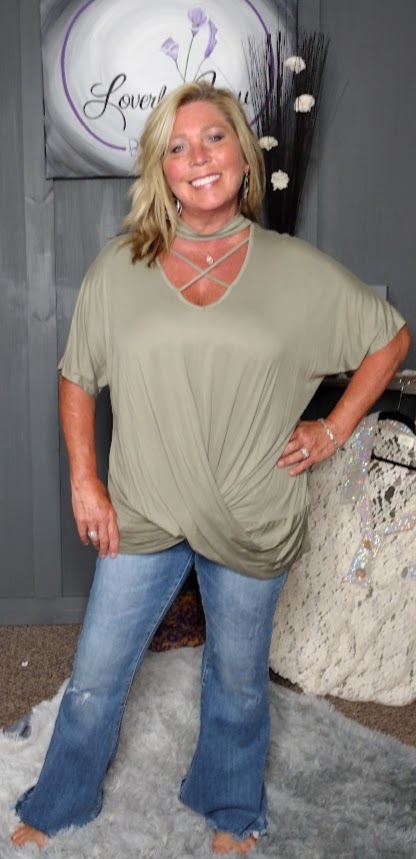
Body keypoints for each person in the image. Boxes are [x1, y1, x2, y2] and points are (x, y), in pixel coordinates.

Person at [11, 81, 410, 855]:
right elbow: (76, 375)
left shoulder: (293, 269)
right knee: (95, 676)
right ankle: (60, 799)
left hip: (252, 514)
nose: (199, 157)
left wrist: (332, 429)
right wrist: (85, 479)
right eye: (179, 145)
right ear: (162, 170)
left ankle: (230, 806)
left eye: (215, 138)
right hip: (145, 508)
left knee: (236, 682)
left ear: (244, 159)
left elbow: (389, 338)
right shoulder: (120, 268)